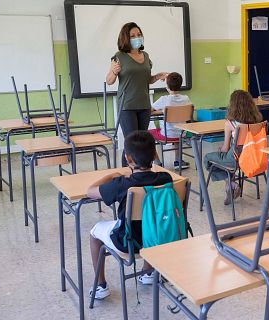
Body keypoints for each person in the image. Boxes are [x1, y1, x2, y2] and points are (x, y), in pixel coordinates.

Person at [87, 131, 173, 300]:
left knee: (94, 233)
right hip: (161, 240)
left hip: (128, 243)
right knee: (151, 221)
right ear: (155, 154)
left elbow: (89, 191)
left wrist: (111, 176)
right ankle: (148, 273)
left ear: (127, 158)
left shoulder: (122, 184)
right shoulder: (166, 178)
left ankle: (101, 285)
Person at [106, 22, 168, 167]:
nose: (137, 37)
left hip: (144, 105)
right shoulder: (119, 56)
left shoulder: (145, 56)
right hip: (127, 105)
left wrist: (157, 76)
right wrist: (114, 71)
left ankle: (140, 172)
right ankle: (126, 173)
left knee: (141, 142)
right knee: (131, 141)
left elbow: (147, 80)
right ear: (125, 38)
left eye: (139, 34)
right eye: (132, 35)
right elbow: (109, 81)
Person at [203, 90, 263, 205]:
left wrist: (221, 150)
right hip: (254, 158)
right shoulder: (259, 122)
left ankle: (231, 183)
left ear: (233, 105)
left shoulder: (230, 124)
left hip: (236, 160)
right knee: (226, 163)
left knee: (208, 158)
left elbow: (225, 149)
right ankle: (230, 183)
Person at [150, 72, 192, 170]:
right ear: (180, 85)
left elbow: (150, 110)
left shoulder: (164, 99)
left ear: (167, 86)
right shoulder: (186, 98)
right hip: (182, 133)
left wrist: (162, 110)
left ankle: (157, 162)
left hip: (167, 135)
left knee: (148, 135)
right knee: (177, 129)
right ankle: (178, 161)